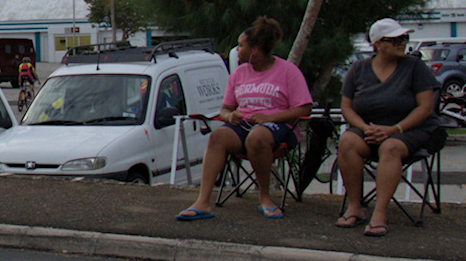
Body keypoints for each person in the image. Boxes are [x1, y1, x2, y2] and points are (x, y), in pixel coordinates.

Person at [177, 16, 312, 222]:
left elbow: (304, 107)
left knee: (257, 137)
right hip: (244, 124)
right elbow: (224, 109)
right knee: (218, 136)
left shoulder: (288, 71)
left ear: (255, 49)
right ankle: (203, 201)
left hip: (279, 126)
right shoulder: (239, 73)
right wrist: (231, 116)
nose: (237, 50)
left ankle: (265, 197)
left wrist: (271, 117)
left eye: (241, 46)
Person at [335, 18, 440, 237]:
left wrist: (394, 129)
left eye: (404, 38)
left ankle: (380, 213)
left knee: (390, 147)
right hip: (370, 130)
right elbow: (347, 107)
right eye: (395, 39)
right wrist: (364, 128)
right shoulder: (358, 69)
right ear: (378, 44)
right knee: (347, 141)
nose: (403, 42)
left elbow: (425, 107)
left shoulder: (415, 67)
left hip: (409, 130)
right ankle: (355, 207)